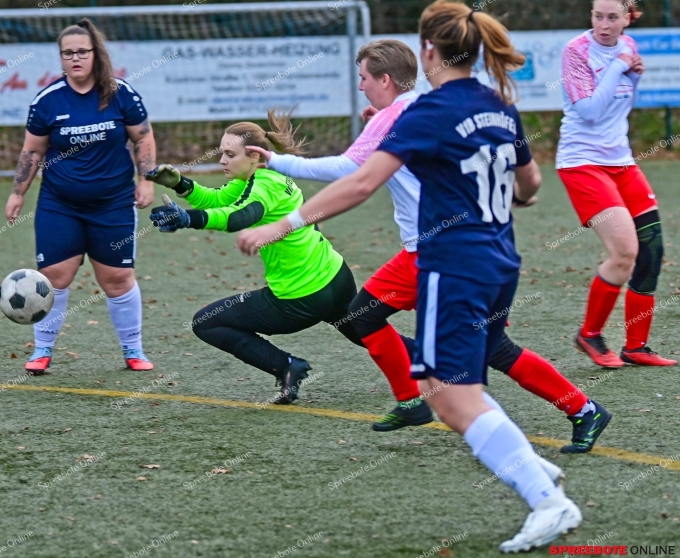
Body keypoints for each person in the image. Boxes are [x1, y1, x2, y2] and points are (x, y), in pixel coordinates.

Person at [237, 0, 582, 552]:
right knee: (470, 377)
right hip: (501, 259)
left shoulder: (428, 112)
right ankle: (534, 469)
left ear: (428, 51)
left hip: (454, 263)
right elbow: (531, 186)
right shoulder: (498, 105)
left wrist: (284, 224)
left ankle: (547, 501)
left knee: (448, 395)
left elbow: (361, 181)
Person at [252, 39, 609, 453]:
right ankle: (412, 400)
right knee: (365, 315)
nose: (361, 86)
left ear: (385, 79)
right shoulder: (417, 108)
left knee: (485, 351)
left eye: (364, 78)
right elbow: (521, 178)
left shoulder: (405, 114)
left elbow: (349, 171)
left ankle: (574, 413)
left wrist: (276, 164)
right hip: (437, 250)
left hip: (443, 251)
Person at [144, 112, 363, 404]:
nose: (222, 160)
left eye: (229, 154)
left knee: (206, 323)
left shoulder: (264, 184)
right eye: (222, 153)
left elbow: (239, 216)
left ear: (255, 157)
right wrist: (180, 184)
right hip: (336, 276)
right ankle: (428, 359)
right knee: (368, 332)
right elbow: (217, 200)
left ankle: (287, 366)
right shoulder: (259, 175)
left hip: (302, 296)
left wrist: (188, 219)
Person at [4, 18, 157, 374]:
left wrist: (146, 180)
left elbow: (144, 138)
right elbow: (31, 152)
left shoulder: (121, 94)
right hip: (60, 204)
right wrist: (17, 194)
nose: (75, 59)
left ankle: (133, 351)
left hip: (114, 203)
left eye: (81, 52)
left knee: (117, 278)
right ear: (61, 58)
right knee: (54, 275)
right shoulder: (47, 101)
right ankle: (41, 351)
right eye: (67, 53)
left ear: (95, 54)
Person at [556, 0, 675, 368]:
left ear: (627, 19)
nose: (603, 25)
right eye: (597, 16)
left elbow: (623, 102)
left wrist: (632, 72)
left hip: (620, 161)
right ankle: (588, 335)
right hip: (581, 162)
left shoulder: (629, 47)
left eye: (612, 17)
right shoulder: (576, 51)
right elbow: (589, 111)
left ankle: (636, 347)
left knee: (652, 250)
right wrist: (621, 67)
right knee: (625, 252)